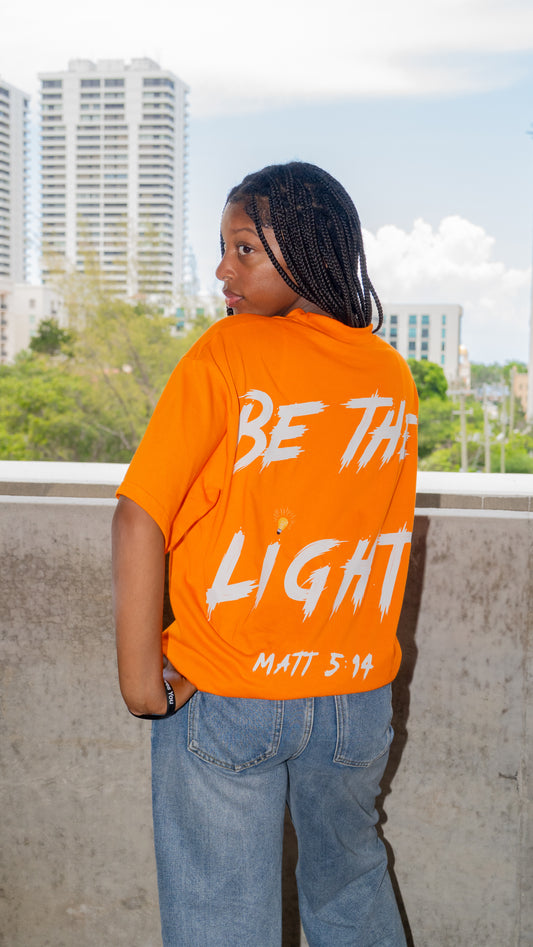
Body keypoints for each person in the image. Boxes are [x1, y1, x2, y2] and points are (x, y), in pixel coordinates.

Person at [112, 161, 418, 947]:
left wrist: (140, 678)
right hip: (354, 704)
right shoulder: (388, 373)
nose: (222, 268)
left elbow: (139, 514)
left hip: (230, 693)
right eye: (222, 247)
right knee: (351, 886)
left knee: (221, 918)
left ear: (311, 250)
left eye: (244, 248)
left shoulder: (229, 352)